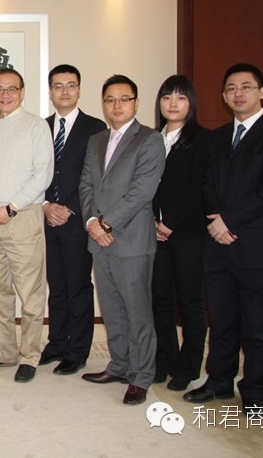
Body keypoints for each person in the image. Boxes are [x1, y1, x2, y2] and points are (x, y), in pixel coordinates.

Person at [184, 63, 263, 416]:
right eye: (231, 88)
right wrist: (215, 221)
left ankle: (254, 391)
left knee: (258, 326)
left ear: (261, 92)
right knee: (222, 321)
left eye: (246, 87)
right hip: (217, 244)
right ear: (223, 96)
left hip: (257, 246)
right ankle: (218, 381)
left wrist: (229, 221)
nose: (238, 93)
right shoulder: (217, 137)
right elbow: (205, 182)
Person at [79, 74, 165, 405]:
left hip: (131, 241)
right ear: (103, 104)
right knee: (112, 308)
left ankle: (141, 376)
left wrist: (106, 223)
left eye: (124, 99)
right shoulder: (96, 140)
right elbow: (86, 184)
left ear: (136, 103)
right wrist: (92, 223)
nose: (117, 105)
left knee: (137, 311)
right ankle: (119, 365)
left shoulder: (150, 139)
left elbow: (142, 191)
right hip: (98, 239)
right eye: (110, 100)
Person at [0, 68, 53, 384]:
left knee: (30, 291)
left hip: (22, 218)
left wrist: (11, 208)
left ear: (22, 91)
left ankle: (29, 355)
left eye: (12, 89)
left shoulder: (36, 126)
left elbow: (42, 175)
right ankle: (5, 351)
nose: (5, 95)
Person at [39, 64, 105, 376]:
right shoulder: (41, 127)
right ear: (50, 91)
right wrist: (45, 205)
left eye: (70, 85)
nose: (64, 91)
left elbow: (96, 177)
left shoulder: (95, 128)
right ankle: (56, 344)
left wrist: (70, 208)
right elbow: (35, 171)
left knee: (78, 285)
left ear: (79, 89)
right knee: (56, 285)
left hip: (78, 220)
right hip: (46, 218)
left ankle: (77, 351)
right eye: (58, 86)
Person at [150, 75, 210, 392]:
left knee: (190, 302)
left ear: (191, 103)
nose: (173, 103)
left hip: (187, 234)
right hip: (155, 234)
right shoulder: (152, 139)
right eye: (167, 97)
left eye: (180, 97)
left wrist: (170, 222)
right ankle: (165, 361)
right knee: (160, 300)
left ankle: (188, 367)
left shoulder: (203, 139)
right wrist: (152, 222)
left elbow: (198, 187)